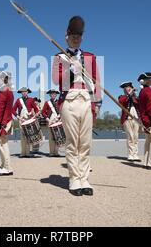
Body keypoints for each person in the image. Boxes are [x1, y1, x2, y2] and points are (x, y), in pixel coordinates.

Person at [52, 15, 102, 196]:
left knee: (86, 143)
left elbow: (97, 81)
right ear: (67, 35)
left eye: (79, 35)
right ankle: (74, 178)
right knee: (73, 142)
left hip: (87, 100)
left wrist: (97, 103)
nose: (76, 38)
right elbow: (56, 80)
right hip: (69, 99)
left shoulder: (90, 56)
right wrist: (69, 70)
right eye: (73, 34)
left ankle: (84, 178)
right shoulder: (59, 56)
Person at [0, 71, 14, 176]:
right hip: (0, 122)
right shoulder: (4, 90)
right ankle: (4, 165)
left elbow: (4, 109)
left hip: (2, 122)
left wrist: (1, 124)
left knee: (3, 144)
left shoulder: (6, 90)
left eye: (0, 78)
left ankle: (7, 168)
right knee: (1, 144)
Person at [12, 87, 40, 157]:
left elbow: (36, 109)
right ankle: (23, 152)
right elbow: (13, 110)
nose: (24, 92)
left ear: (27, 92)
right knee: (22, 136)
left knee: (29, 136)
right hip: (21, 120)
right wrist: (18, 117)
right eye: (22, 91)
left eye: (25, 91)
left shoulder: (31, 99)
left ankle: (27, 153)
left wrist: (34, 116)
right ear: (21, 93)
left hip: (29, 119)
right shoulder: (18, 100)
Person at [118, 81, 140, 162]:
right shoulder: (122, 97)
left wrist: (134, 95)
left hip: (136, 118)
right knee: (130, 137)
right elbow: (121, 101)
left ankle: (136, 154)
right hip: (127, 119)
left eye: (130, 88)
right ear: (124, 90)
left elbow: (139, 103)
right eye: (126, 88)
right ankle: (131, 154)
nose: (128, 89)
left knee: (136, 137)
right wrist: (128, 95)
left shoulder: (135, 97)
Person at [41, 89, 62, 157]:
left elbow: (62, 110)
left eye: (54, 94)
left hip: (58, 120)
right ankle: (51, 152)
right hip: (50, 120)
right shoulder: (47, 102)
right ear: (50, 95)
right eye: (52, 94)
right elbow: (43, 112)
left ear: (56, 95)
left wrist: (59, 118)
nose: (53, 95)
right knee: (51, 137)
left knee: (58, 136)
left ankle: (56, 152)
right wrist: (47, 119)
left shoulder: (59, 102)